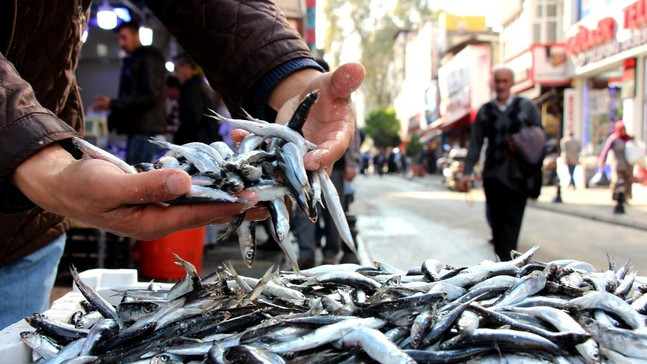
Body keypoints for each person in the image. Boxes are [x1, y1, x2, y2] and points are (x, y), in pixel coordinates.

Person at [0, 0, 365, 329]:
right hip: (37, 191)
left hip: (27, 229)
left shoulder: (147, 67)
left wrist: (287, 75)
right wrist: (37, 159)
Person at [459, 67, 542, 262]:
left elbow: (539, 137)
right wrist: (467, 171)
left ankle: (510, 264)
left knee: (512, 224)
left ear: (512, 83)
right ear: (493, 83)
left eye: (505, 81)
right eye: (498, 81)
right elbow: (476, 143)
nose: (502, 85)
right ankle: (501, 264)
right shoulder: (486, 111)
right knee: (497, 224)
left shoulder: (526, 107)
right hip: (493, 176)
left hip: (518, 176)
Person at [91, 21, 167, 165]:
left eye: (124, 37)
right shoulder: (136, 60)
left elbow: (149, 95)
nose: (121, 42)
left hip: (144, 131)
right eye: (119, 39)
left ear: (136, 35)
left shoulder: (148, 59)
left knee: (137, 176)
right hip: (139, 129)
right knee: (135, 174)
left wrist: (113, 103)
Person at [171, 53, 222, 145]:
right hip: (205, 141)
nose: (174, 74)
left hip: (198, 144)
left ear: (186, 67)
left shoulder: (193, 89)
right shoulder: (201, 86)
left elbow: (193, 119)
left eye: (176, 69)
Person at [599, 120, 633, 200]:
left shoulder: (629, 138)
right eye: (621, 130)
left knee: (627, 182)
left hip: (628, 165)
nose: (623, 131)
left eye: (624, 129)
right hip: (618, 164)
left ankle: (624, 198)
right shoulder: (613, 139)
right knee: (617, 181)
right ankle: (616, 197)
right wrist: (602, 160)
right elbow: (606, 150)